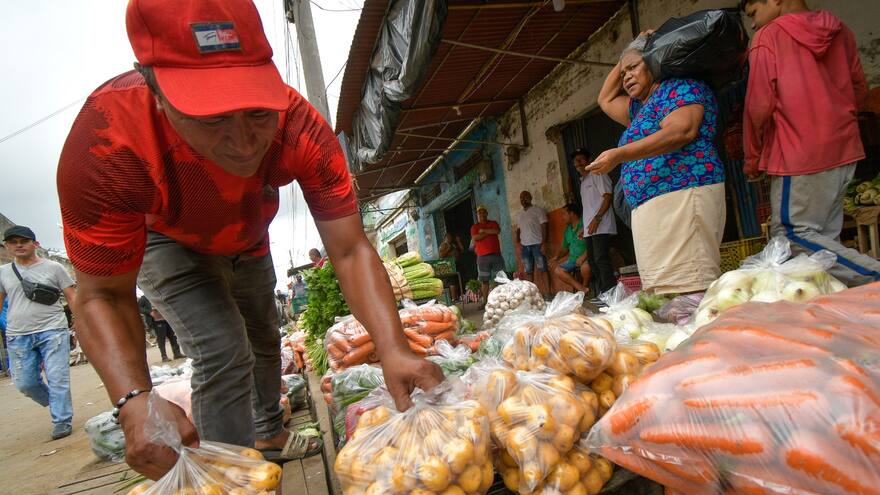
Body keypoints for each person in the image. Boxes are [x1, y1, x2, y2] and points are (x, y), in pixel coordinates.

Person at [56, 0, 443, 480]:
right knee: (223, 347)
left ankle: (268, 432)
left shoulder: (299, 127)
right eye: (211, 118)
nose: (242, 141)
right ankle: (225, 481)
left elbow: (349, 248)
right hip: (166, 241)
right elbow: (102, 296)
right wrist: (134, 401)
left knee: (264, 338)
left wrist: (394, 348)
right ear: (154, 87)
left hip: (248, 234)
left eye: (257, 111)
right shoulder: (107, 143)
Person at [741, 0, 880, 285]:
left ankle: (874, 275)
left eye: (753, 13)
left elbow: (759, 105)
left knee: (793, 237)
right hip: (843, 148)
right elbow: (859, 92)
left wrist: (753, 156)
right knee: (822, 246)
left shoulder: (769, 36)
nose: (753, 23)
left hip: (798, 152)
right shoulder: (841, 32)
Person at [590, 33, 726, 295]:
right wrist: (628, 54)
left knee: (689, 287)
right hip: (652, 206)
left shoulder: (680, 87)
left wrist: (619, 155)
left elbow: (681, 131)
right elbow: (605, 99)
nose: (626, 77)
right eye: (623, 73)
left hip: (682, 195)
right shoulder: (640, 108)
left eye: (633, 68)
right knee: (664, 291)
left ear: (655, 62)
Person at [0, 226, 77, 440]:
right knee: (25, 383)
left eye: (24, 241)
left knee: (57, 377)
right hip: (18, 334)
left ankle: (61, 420)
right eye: (13, 242)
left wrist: (79, 321)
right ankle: (57, 403)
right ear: (6, 246)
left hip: (53, 330)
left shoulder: (54, 268)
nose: (19, 245)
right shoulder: (3, 272)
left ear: (35, 244)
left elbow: (71, 296)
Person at [572, 148, 618, 293]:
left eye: (581, 159)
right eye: (575, 161)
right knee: (592, 262)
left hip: (602, 226)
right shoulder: (583, 181)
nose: (578, 163)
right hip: (590, 228)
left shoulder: (598, 173)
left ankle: (611, 294)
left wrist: (597, 220)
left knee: (601, 260)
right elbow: (589, 207)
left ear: (589, 160)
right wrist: (584, 227)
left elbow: (608, 197)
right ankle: (603, 294)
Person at [514, 191, 549, 296]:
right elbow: (518, 230)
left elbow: (544, 227)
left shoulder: (538, 211)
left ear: (530, 198)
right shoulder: (519, 215)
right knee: (528, 272)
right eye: (521, 198)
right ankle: (532, 296)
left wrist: (544, 243)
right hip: (525, 247)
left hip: (537, 244)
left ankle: (548, 294)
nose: (523, 199)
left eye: (525, 197)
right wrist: (517, 243)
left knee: (543, 269)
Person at [470, 205, 505, 305]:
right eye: (479, 213)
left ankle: (503, 298)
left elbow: (497, 231)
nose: (482, 214)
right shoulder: (474, 227)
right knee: (484, 281)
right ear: (478, 215)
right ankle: (485, 302)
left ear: (486, 213)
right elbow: (476, 237)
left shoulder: (493, 223)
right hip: (482, 257)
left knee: (500, 277)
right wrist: (489, 233)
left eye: (483, 212)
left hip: (496, 254)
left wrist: (484, 231)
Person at [553, 204, 591, 294]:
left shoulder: (585, 223)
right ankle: (582, 289)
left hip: (587, 256)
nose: (562, 217)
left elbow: (592, 243)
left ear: (572, 214)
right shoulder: (567, 230)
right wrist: (556, 257)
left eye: (564, 214)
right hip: (573, 260)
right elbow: (564, 249)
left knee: (585, 268)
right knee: (558, 270)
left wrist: (583, 257)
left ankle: (584, 288)